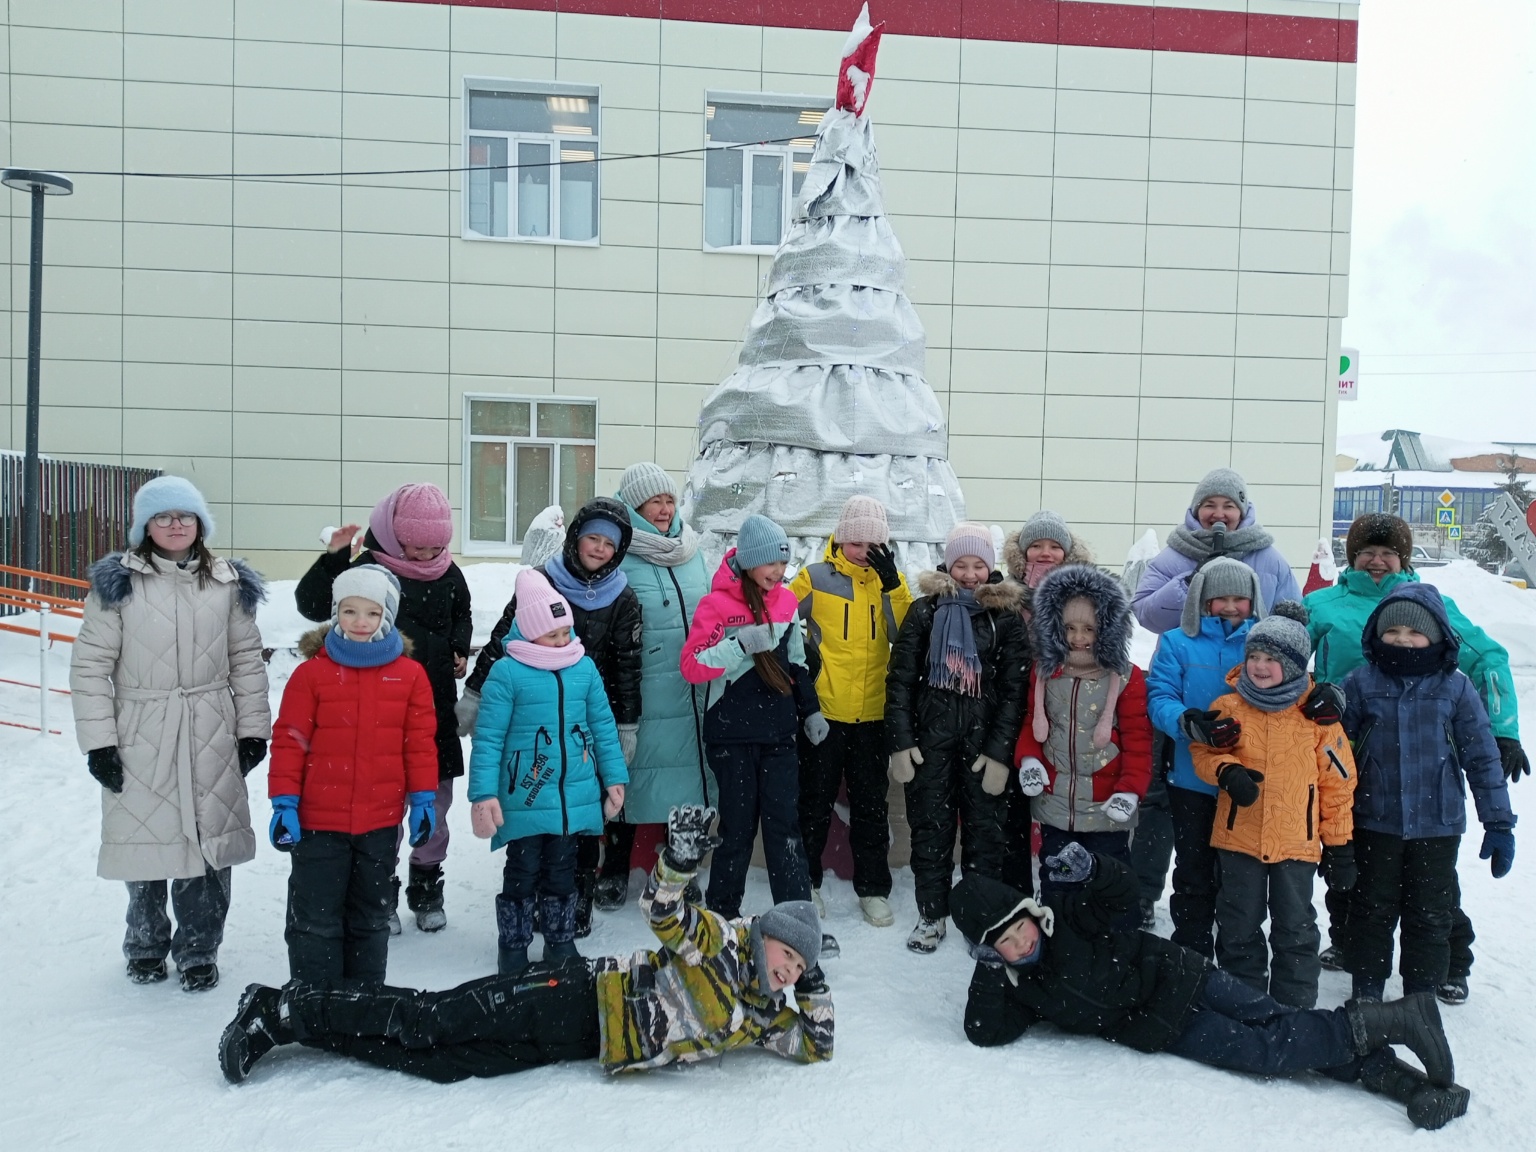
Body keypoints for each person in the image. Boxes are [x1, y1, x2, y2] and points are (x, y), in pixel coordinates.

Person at [219, 806, 833, 1084]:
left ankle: (300, 1023)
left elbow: (817, 1045)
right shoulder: (722, 943)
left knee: (440, 1063)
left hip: (586, 1042)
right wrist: (675, 860)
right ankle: (286, 1009)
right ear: (766, 936)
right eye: (789, 957)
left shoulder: (764, 1015)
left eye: (798, 969)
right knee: (432, 1019)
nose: (789, 972)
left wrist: (814, 987)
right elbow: (665, 912)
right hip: (576, 991)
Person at [951, 845, 1470, 1132]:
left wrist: (1096, 870)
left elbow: (1125, 898)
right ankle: (1411, 1081)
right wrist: (991, 971)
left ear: (1028, 913)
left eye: (1019, 926)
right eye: (1004, 944)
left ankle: (1395, 1025)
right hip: (1164, 1024)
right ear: (989, 952)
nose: (1021, 942)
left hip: (1184, 973)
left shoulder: (1064, 916)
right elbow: (984, 1032)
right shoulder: (1019, 988)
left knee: (1274, 1029)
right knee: (1271, 1045)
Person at [1306, 511, 1528, 1001]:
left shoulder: (1434, 606)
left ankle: (1448, 963)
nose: (1378, 560)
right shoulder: (1322, 605)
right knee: (1359, 881)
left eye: (1388, 552)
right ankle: (1352, 950)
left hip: (1428, 772)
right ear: (1353, 558)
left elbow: (1488, 658)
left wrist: (1502, 731)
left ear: (1403, 559)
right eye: (1367, 552)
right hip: (1355, 759)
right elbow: (1280, 659)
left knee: (1432, 893)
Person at [70, 476, 271, 991]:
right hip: (143, 728)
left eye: (185, 515)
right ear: (145, 526)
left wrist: (252, 730)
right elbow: (91, 666)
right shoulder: (119, 584)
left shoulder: (227, 583)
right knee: (147, 840)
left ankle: (199, 949)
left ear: (200, 523)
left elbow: (246, 660)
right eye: (163, 516)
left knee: (209, 845)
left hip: (210, 726)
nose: (175, 524)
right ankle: (145, 942)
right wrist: (100, 743)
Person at [459, 497, 642, 936]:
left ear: (618, 551)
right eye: (592, 538)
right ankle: (528, 908)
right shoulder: (543, 583)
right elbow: (505, 637)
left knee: (579, 822)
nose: (599, 549)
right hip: (535, 722)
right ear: (577, 536)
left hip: (583, 725)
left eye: (608, 544)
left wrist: (625, 724)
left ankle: (571, 910)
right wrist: (474, 694)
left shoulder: (623, 597)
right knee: (534, 819)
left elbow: (628, 666)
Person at [294, 483, 471, 934]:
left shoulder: (448, 572)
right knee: (386, 811)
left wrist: (458, 647)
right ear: (394, 537)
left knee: (435, 803)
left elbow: (461, 614)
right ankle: (382, 889)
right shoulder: (371, 570)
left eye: (436, 545)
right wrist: (335, 558)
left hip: (433, 713)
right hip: (378, 710)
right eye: (417, 546)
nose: (426, 555)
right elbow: (314, 603)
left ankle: (427, 882)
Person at [1340, 584, 1516, 1003]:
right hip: (1374, 819)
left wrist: (1499, 822)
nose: (1402, 639)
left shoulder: (1455, 688)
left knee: (1430, 914)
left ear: (1437, 635)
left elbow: (1482, 758)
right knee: (1370, 909)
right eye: (1393, 629)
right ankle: (1367, 991)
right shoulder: (1360, 684)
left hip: (1436, 824)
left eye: (1414, 631)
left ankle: (1420, 995)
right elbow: (1334, 757)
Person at [268, 565, 439, 985]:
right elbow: (289, 741)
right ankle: (316, 1000)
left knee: (371, 915)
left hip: (379, 824)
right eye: (349, 612)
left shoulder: (410, 675)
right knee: (316, 917)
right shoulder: (312, 675)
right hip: (317, 825)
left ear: (387, 616)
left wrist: (423, 799)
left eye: (371, 613)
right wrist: (284, 803)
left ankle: (364, 1002)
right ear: (335, 613)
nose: (360, 623)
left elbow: (419, 743)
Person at [1188, 603, 1357, 1009]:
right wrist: (1226, 770)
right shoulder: (1229, 707)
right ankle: (1243, 1004)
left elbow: (1339, 783)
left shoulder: (1318, 716)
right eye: (1254, 657)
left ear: (1296, 665)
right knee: (1237, 924)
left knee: (1296, 928)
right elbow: (1203, 751)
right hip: (1238, 838)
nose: (1260, 666)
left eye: (1272, 659)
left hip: (1295, 844)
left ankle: (1293, 1011)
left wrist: (1340, 845)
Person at [466, 569, 628, 975]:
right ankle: (513, 946)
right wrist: (483, 796)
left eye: (564, 632)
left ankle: (559, 941)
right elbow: (488, 739)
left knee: (563, 872)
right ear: (529, 631)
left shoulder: (583, 668)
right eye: (551, 634)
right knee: (521, 872)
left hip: (573, 797)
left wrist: (613, 778)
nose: (560, 641)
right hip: (525, 794)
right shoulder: (507, 672)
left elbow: (603, 728)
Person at [885, 523, 1029, 953]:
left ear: (991, 568)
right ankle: (931, 915)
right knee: (930, 830)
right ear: (948, 565)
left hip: (984, 746)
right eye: (961, 564)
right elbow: (901, 680)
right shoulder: (925, 611)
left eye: (978, 565)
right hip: (930, 744)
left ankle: (980, 919)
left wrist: (1001, 753)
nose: (969, 574)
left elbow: (1013, 691)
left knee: (986, 835)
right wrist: (901, 740)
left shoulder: (1005, 619)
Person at [680, 515, 825, 928]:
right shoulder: (716, 605)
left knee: (785, 828)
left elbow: (796, 662)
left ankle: (795, 920)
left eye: (783, 564)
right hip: (731, 735)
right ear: (748, 562)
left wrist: (810, 709)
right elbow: (692, 666)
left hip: (779, 733)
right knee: (738, 830)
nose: (779, 572)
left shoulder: (785, 601)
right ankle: (722, 918)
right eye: (771, 564)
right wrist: (739, 644)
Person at [790, 495, 913, 929]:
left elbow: (904, 632)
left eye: (871, 544)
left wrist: (892, 583)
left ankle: (874, 888)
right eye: (855, 542)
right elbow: (781, 616)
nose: (863, 552)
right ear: (841, 538)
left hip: (873, 716)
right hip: (825, 713)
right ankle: (805, 883)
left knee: (870, 806)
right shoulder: (815, 578)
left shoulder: (890, 583)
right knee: (814, 802)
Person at [601, 462, 713, 909]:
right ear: (634, 505)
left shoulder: (691, 550)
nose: (665, 510)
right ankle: (614, 867)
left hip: (690, 689)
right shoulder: (617, 554)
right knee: (630, 773)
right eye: (655, 501)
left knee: (687, 780)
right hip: (640, 689)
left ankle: (681, 871)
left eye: (669, 500)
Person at [1013, 564, 1151, 924]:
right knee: (1058, 881)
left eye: (1088, 629)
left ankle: (1117, 945)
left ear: (1107, 628)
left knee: (1111, 882)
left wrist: (1130, 791)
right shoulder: (1045, 672)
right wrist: (1029, 760)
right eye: (1069, 628)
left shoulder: (1125, 678)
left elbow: (1138, 741)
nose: (1077, 638)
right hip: (1057, 805)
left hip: (1108, 810)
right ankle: (1060, 938)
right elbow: (1032, 722)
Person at [1144, 557, 1264, 955]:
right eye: (1220, 598)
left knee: (1238, 874)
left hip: (1249, 777)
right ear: (1201, 600)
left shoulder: (1263, 644)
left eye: (1240, 599)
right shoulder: (1177, 642)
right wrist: (1185, 721)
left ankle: (1237, 953)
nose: (1230, 607)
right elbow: (1159, 695)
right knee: (1193, 870)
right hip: (1190, 778)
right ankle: (1190, 950)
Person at [1132, 468, 1301, 635]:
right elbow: (1146, 616)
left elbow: (1293, 625)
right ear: (1197, 511)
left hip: (1249, 661)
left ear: (1242, 513)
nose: (1219, 514)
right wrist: (1190, 582)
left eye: (1228, 506)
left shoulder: (1270, 560)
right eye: (1209, 505)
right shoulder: (1172, 557)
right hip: (1183, 661)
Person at [1002, 509, 1094, 622]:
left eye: (1055, 547)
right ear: (1023, 552)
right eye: (1036, 546)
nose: (1045, 553)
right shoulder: (1002, 595)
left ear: (1067, 553)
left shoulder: (1085, 596)